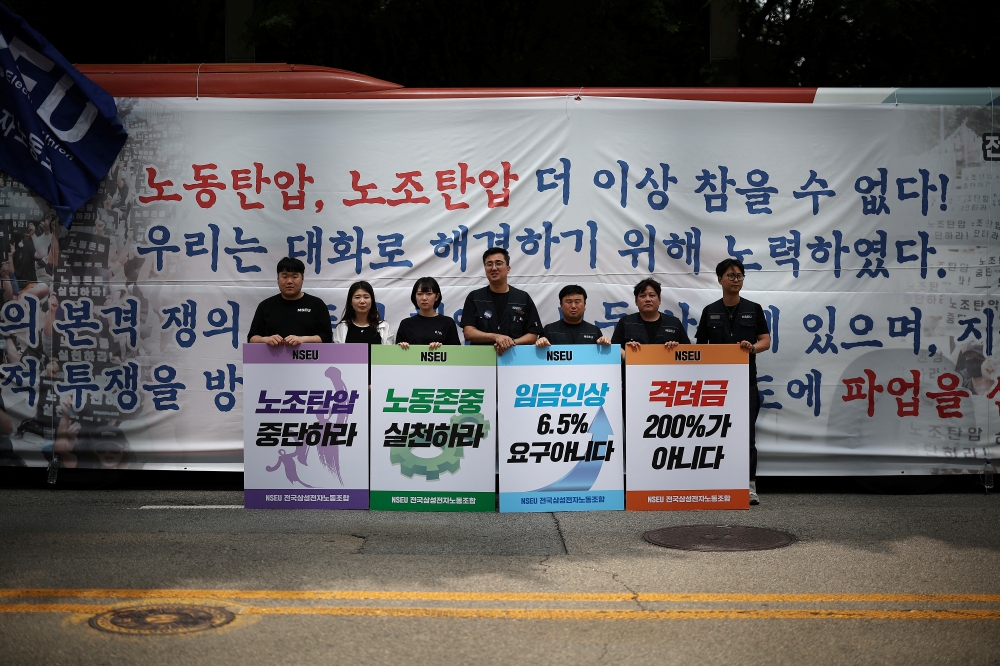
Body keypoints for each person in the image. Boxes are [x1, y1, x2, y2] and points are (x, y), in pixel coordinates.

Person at [695, 258, 771, 506]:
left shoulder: (754, 308)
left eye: (740, 275)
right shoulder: (710, 311)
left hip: (745, 383)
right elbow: (700, 349)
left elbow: (765, 341)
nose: (736, 279)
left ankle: (749, 487)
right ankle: (717, 481)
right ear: (719, 279)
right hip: (716, 386)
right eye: (731, 275)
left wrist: (751, 349)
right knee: (715, 433)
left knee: (747, 436)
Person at [461, 247, 543, 354]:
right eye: (489, 264)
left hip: (515, 358)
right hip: (481, 359)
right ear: (485, 269)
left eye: (499, 263)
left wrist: (511, 342)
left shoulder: (522, 298)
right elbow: (469, 333)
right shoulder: (475, 297)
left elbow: (533, 335)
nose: (494, 268)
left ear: (508, 268)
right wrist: (496, 337)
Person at [247, 257, 333, 346]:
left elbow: (326, 337)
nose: (289, 281)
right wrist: (266, 339)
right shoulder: (265, 305)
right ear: (278, 279)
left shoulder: (317, 304)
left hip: (307, 358)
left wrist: (303, 339)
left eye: (295, 277)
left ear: (302, 278)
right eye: (284, 276)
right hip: (272, 358)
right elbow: (252, 338)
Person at [610, 278, 691, 356]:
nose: (648, 299)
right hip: (635, 369)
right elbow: (614, 348)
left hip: (666, 369)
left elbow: (688, 350)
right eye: (642, 296)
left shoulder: (674, 323)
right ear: (636, 301)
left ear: (659, 300)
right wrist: (626, 355)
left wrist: (677, 348)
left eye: (652, 295)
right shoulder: (626, 322)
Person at [536, 285, 612, 347]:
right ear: (561, 304)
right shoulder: (549, 330)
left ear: (584, 304)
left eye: (577, 302)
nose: (573, 306)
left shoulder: (594, 331)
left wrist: (604, 342)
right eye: (568, 302)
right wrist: (540, 342)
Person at [396, 277, 461, 349]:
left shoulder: (448, 323)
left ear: (437, 296)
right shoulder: (405, 324)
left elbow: (456, 352)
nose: (424, 298)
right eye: (420, 294)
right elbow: (397, 355)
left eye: (429, 294)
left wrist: (441, 349)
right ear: (415, 296)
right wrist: (402, 347)